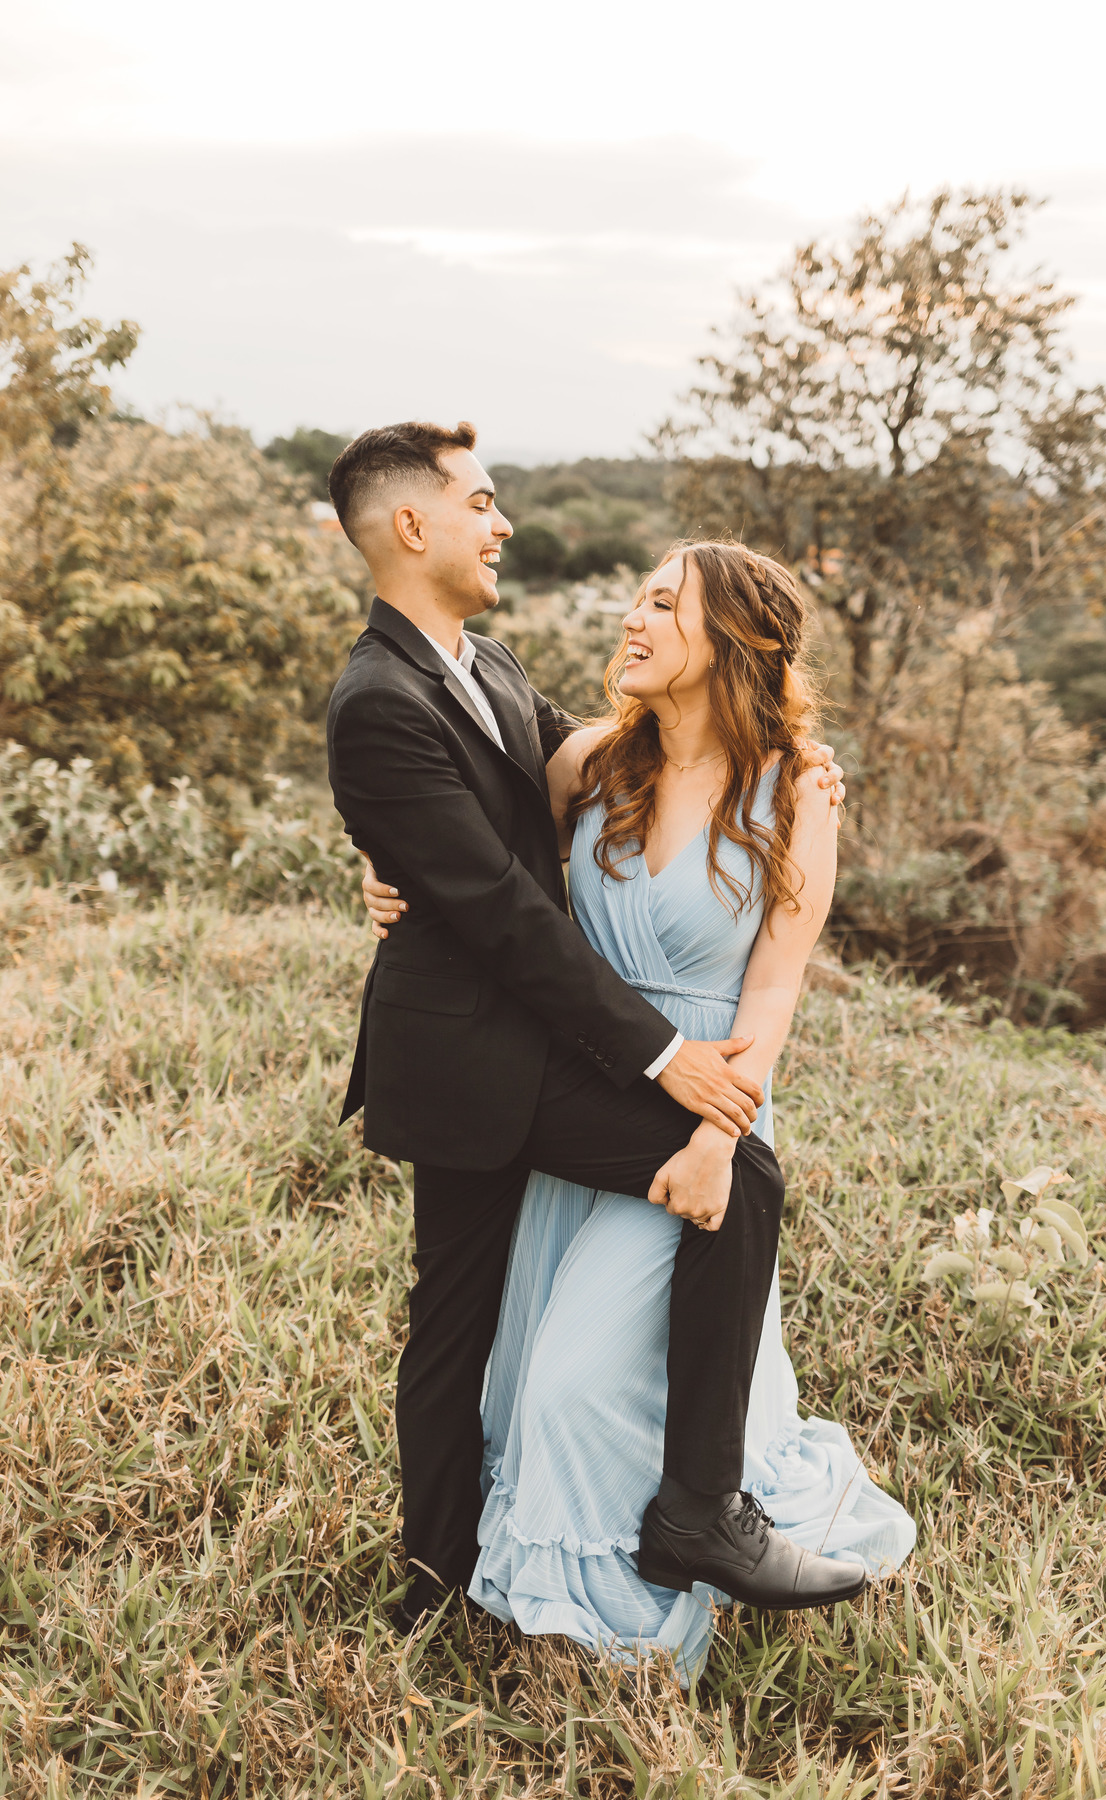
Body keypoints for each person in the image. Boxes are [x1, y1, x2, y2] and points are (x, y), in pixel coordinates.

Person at [325, 420, 866, 1631]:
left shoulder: (499, 668)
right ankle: (441, 1584)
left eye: (660, 603)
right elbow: (501, 896)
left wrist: (782, 757)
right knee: (471, 1335)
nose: (502, 521)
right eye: (482, 501)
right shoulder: (413, 705)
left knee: (702, 1221)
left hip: (619, 1060)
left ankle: (688, 1509)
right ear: (418, 524)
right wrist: (399, 878)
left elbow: (554, 783)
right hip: (531, 1058)